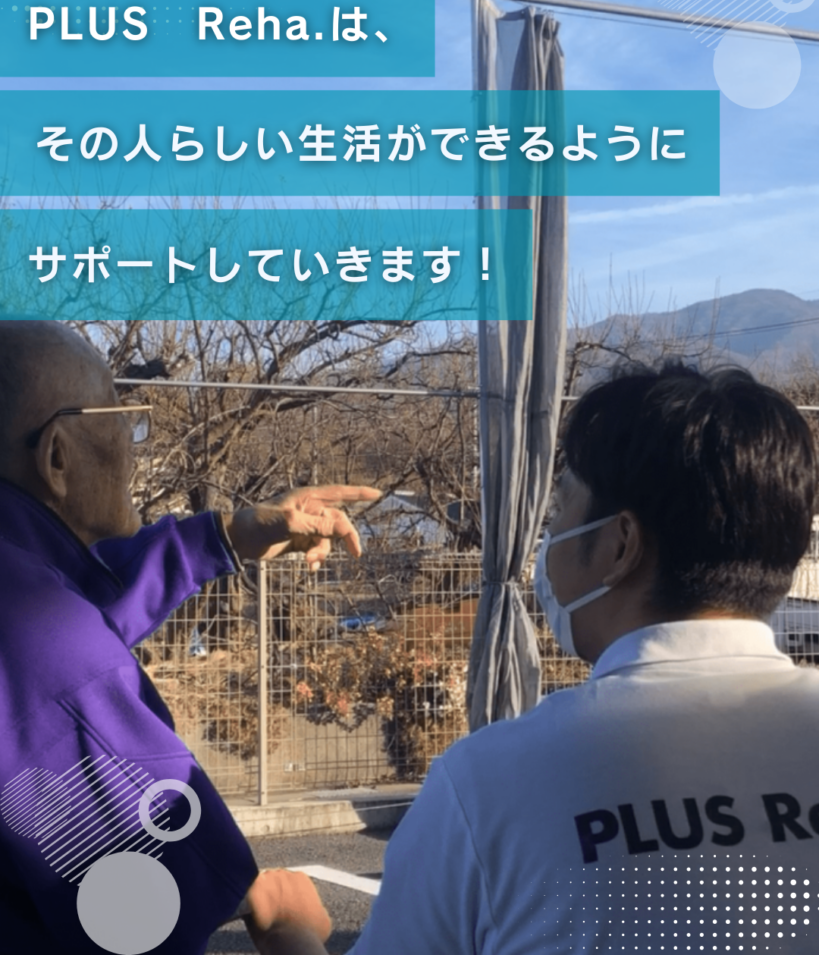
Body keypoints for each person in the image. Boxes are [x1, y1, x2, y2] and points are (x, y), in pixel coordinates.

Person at [344, 361, 819, 955]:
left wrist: (293, 935)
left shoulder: (488, 785)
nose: (549, 540)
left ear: (621, 545)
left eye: (559, 511)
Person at [0, 321, 371, 955]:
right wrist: (291, 930)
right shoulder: (56, 669)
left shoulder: (22, 584)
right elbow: (138, 926)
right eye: (120, 418)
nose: (131, 442)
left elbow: (75, 591)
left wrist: (230, 535)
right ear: (57, 456)